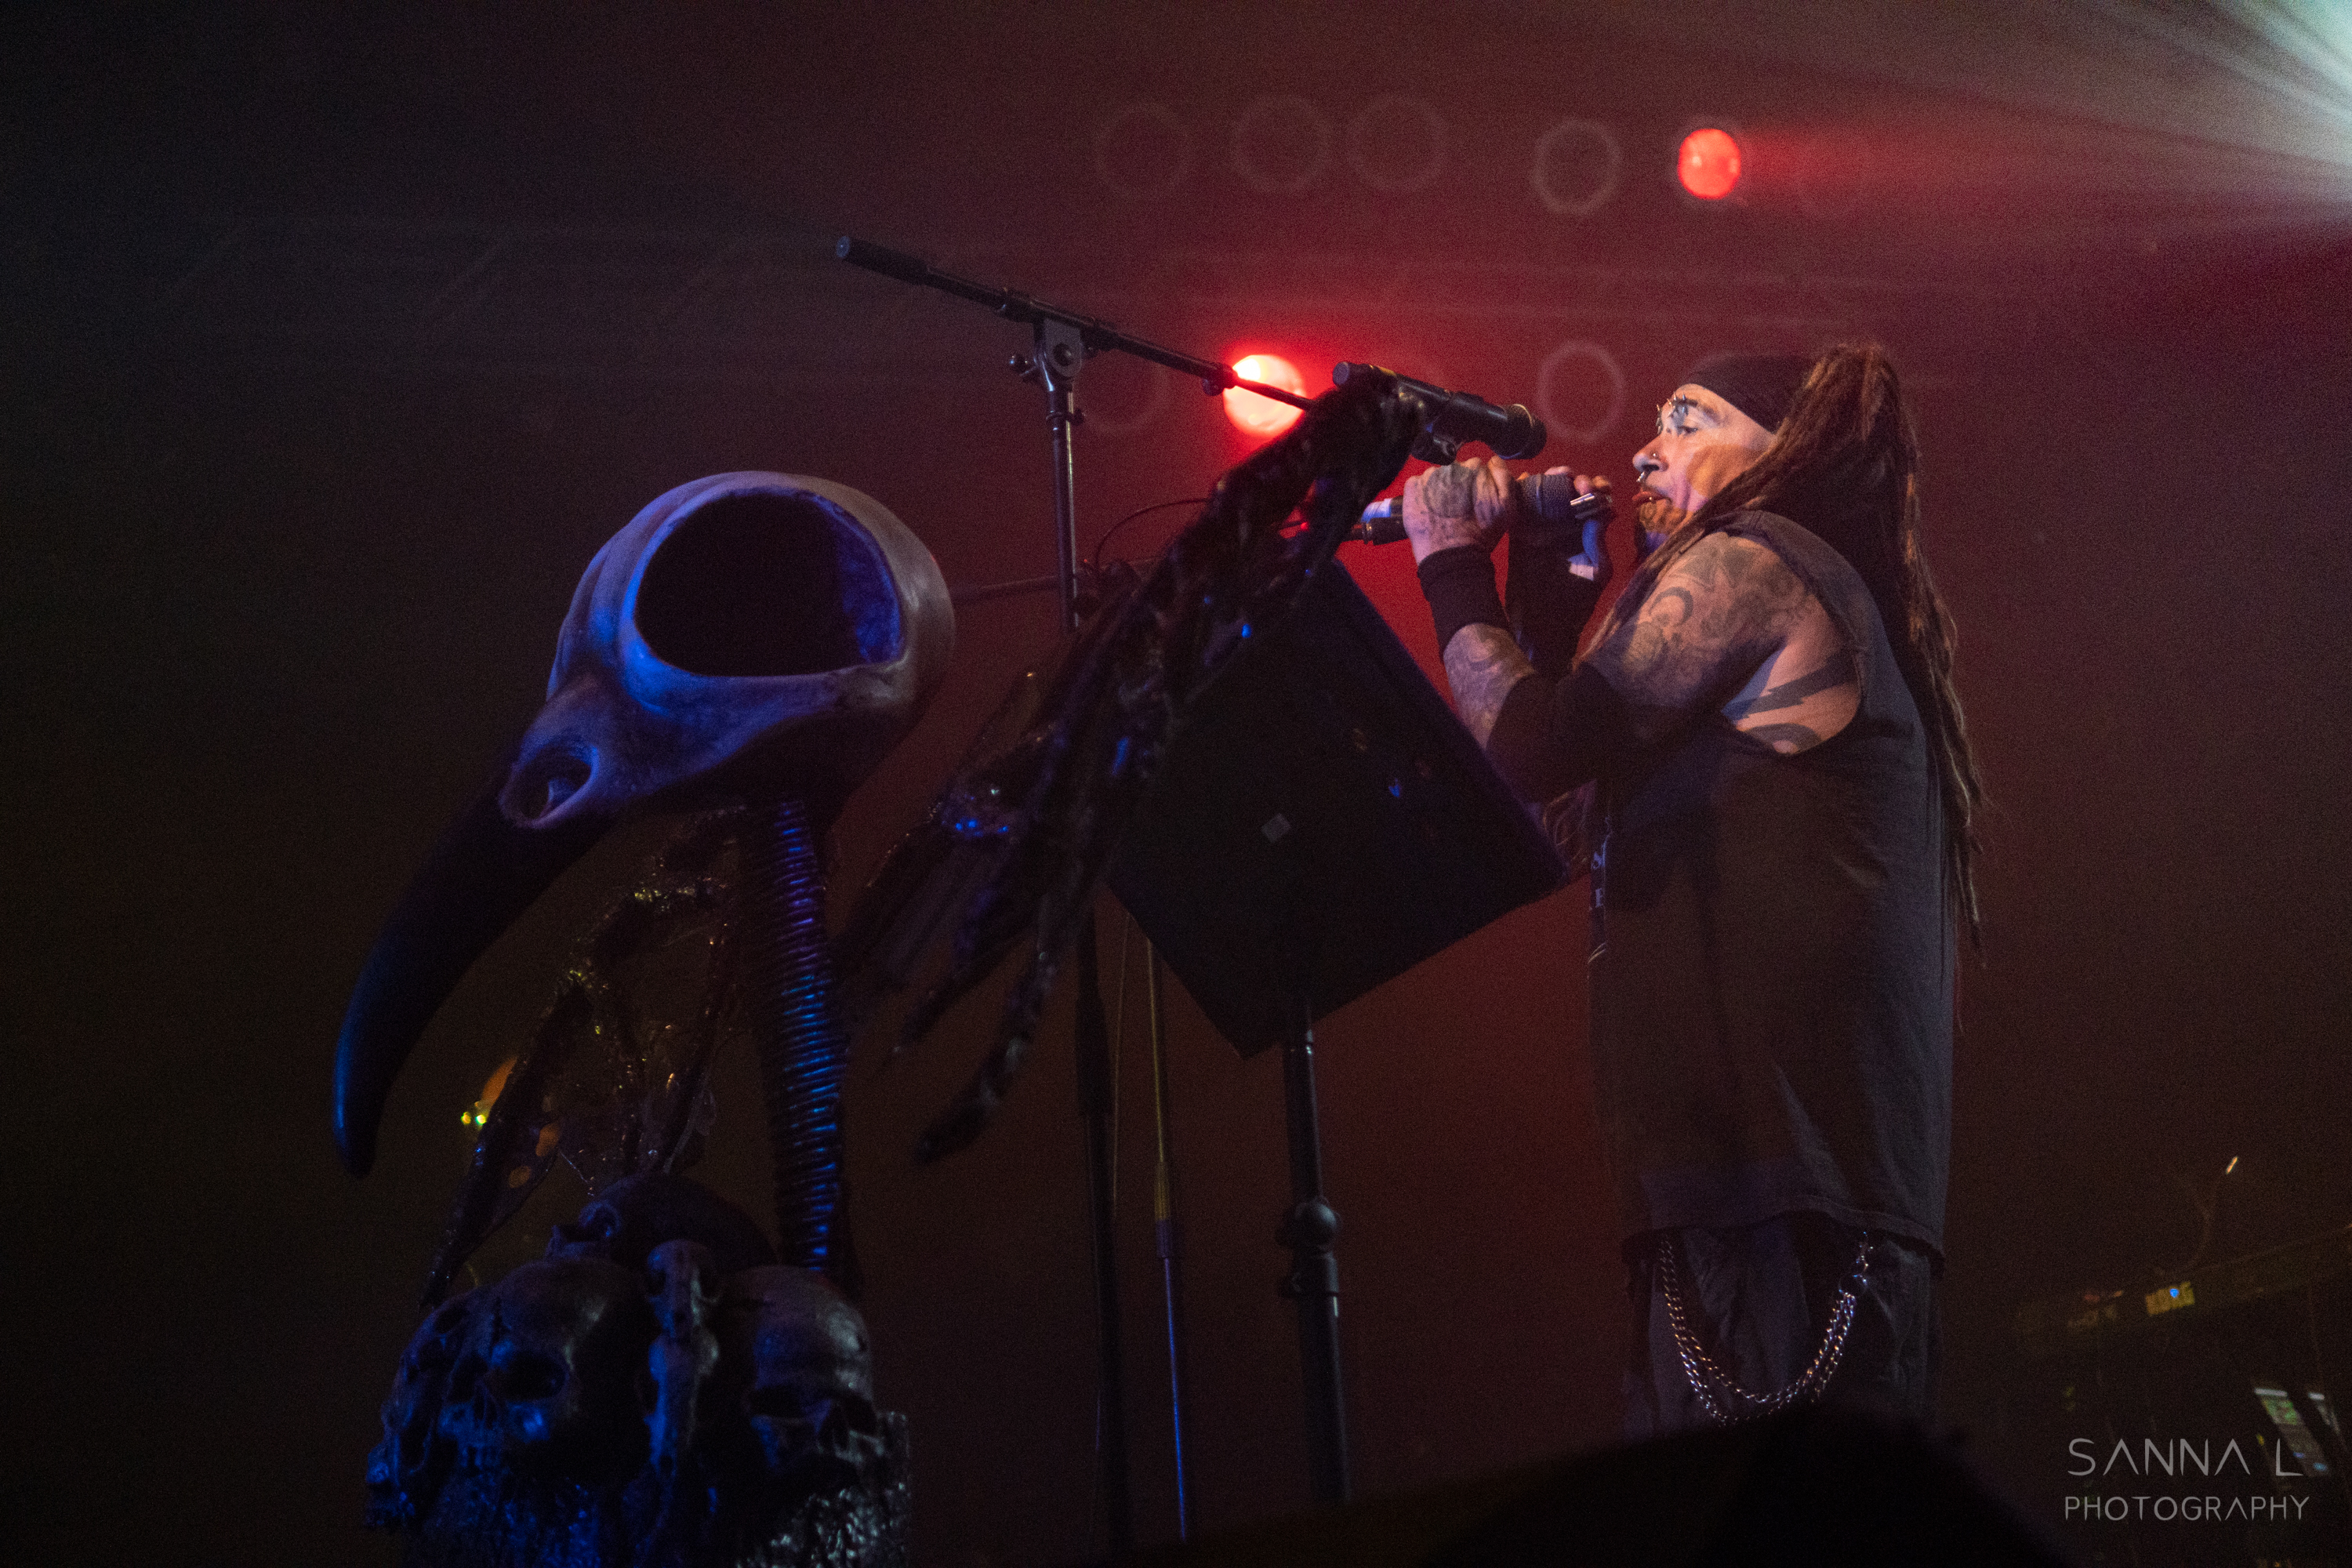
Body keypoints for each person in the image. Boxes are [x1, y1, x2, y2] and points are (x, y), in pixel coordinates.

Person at [1400, 345, 1983, 1435]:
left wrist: (1450, 566)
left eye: (1687, 420)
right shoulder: (1751, 610)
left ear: (1789, 450)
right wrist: (1550, 609)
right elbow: (1547, 815)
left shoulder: (1757, 559)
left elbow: (1532, 747)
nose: (1643, 449)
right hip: (1731, 1192)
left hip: (1784, 1201)